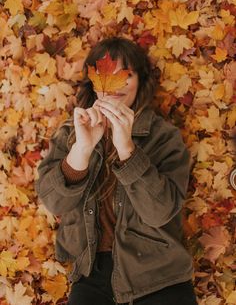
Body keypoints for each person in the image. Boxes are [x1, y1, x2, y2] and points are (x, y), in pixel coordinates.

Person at [35, 37, 198, 305]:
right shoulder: (70, 132)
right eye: (104, 74)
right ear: (92, 82)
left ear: (139, 81)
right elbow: (54, 201)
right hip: (93, 276)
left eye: (126, 74)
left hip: (158, 275)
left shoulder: (163, 136)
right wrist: (82, 149)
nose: (115, 84)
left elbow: (160, 212)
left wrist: (127, 148)